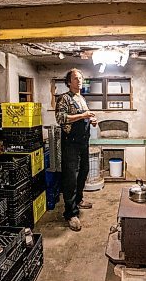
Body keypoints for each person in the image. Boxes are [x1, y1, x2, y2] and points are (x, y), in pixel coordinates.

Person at [55, 68, 97, 231]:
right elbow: (60, 118)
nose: (79, 80)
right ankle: (71, 213)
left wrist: (92, 120)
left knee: (83, 172)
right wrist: (83, 116)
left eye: (80, 78)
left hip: (83, 141)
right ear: (68, 82)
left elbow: (86, 116)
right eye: (75, 78)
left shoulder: (81, 98)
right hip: (70, 142)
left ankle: (78, 199)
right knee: (70, 177)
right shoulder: (64, 98)